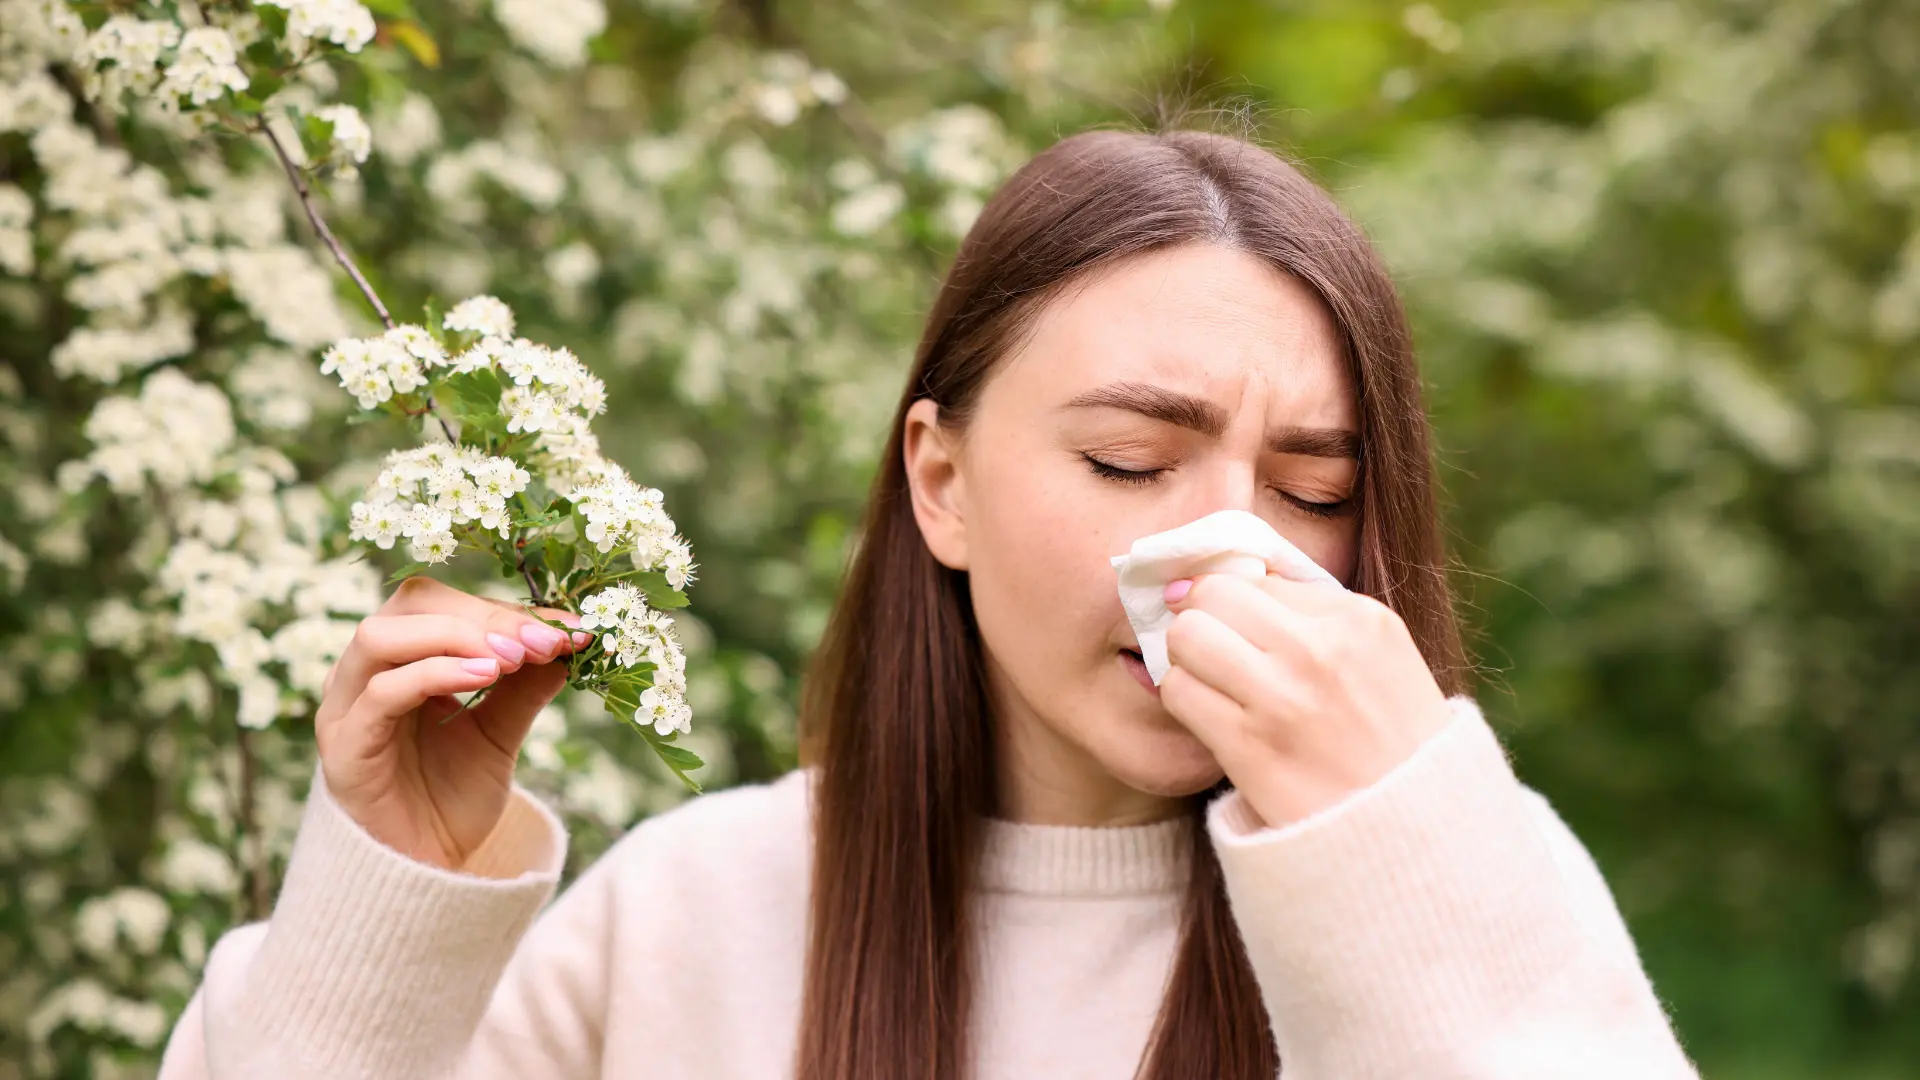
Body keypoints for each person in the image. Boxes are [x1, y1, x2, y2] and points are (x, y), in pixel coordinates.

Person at [157, 127, 1700, 1080]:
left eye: (1311, 492)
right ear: (939, 480)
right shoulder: (698, 914)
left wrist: (1400, 851)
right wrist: (387, 901)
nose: (1231, 551)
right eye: (1128, 456)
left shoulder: (1467, 892)